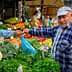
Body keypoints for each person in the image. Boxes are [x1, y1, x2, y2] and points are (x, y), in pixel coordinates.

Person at [23, 6, 72, 72]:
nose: (61, 20)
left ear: (71, 16)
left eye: (64, 17)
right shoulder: (58, 29)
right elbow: (45, 31)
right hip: (57, 67)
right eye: (59, 18)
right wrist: (29, 31)